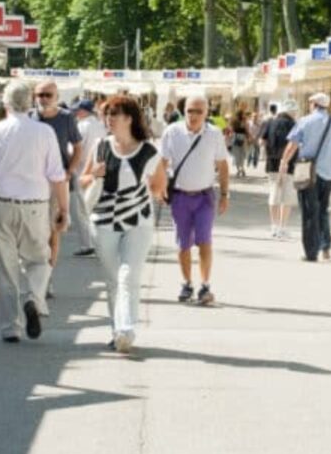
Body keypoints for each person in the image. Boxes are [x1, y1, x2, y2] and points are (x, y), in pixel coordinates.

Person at [0, 80, 69, 343]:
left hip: (0, 204)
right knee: (39, 259)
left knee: (6, 268)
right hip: (35, 206)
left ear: (5, 103)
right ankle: (34, 298)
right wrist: (64, 208)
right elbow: (57, 175)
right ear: (30, 103)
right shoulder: (44, 132)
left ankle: (10, 327)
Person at [81, 96, 166, 353]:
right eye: (107, 114)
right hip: (103, 221)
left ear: (129, 118)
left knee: (128, 275)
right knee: (112, 279)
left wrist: (137, 194)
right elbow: (82, 180)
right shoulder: (100, 146)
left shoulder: (149, 152)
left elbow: (159, 187)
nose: (109, 119)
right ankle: (116, 329)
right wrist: (94, 175)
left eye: (114, 114)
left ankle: (125, 330)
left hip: (138, 221)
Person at [160, 92, 230, 305]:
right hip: (180, 196)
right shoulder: (172, 132)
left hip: (204, 197)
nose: (193, 115)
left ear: (206, 113)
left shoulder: (214, 134)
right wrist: (160, 188)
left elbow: (222, 165)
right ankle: (187, 283)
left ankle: (205, 285)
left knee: (204, 241)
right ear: (184, 111)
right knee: (183, 244)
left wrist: (224, 194)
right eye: (190, 111)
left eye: (199, 111)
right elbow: (162, 163)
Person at [280, 93, 331, 262]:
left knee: (309, 211)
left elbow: (292, 144)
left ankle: (311, 252)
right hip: (328, 172)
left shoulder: (305, 121)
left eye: (310, 103)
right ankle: (326, 246)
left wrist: (284, 162)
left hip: (307, 172)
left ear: (314, 104)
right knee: (323, 210)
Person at [32, 80, 82, 289]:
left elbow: (78, 146)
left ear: (57, 97)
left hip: (57, 183)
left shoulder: (66, 117)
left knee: (53, 231)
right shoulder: (30, 118)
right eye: (40, 95)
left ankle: (47, 278)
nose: (43, 99)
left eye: (48, 95)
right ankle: (36, 276)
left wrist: (69, 171)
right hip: (32, 183)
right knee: (34, 233)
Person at [70, 99, 106, 256]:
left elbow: (74, 150)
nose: (76, 113)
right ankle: (97, 244)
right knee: (92, 210)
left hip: (82, 173)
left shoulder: (81, 126)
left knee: (81, 211)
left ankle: (87, 245)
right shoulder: (100, 126)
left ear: (84, 111)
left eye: (78, 110)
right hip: (98, 173)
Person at [264, 100, 298, 238]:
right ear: (291, 112)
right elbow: (294, 144)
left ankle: (274, 226)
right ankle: (283, 227)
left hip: (272, 162)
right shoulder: (293, 124)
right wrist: (286, 160)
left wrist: (270, 152)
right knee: (286, 196)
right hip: (288, 162)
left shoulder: (270, 122)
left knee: (274, 193)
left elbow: (262, 140)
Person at [229, 108, 249, 178]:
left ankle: (239, 169)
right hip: (242, 138)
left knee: (236, 155)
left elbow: (231, 130)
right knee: (242, 155)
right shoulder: (244, 121)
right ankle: (242, 169)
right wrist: (248, 138)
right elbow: (246, 131)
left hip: (235, 138)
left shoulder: (233, 121)